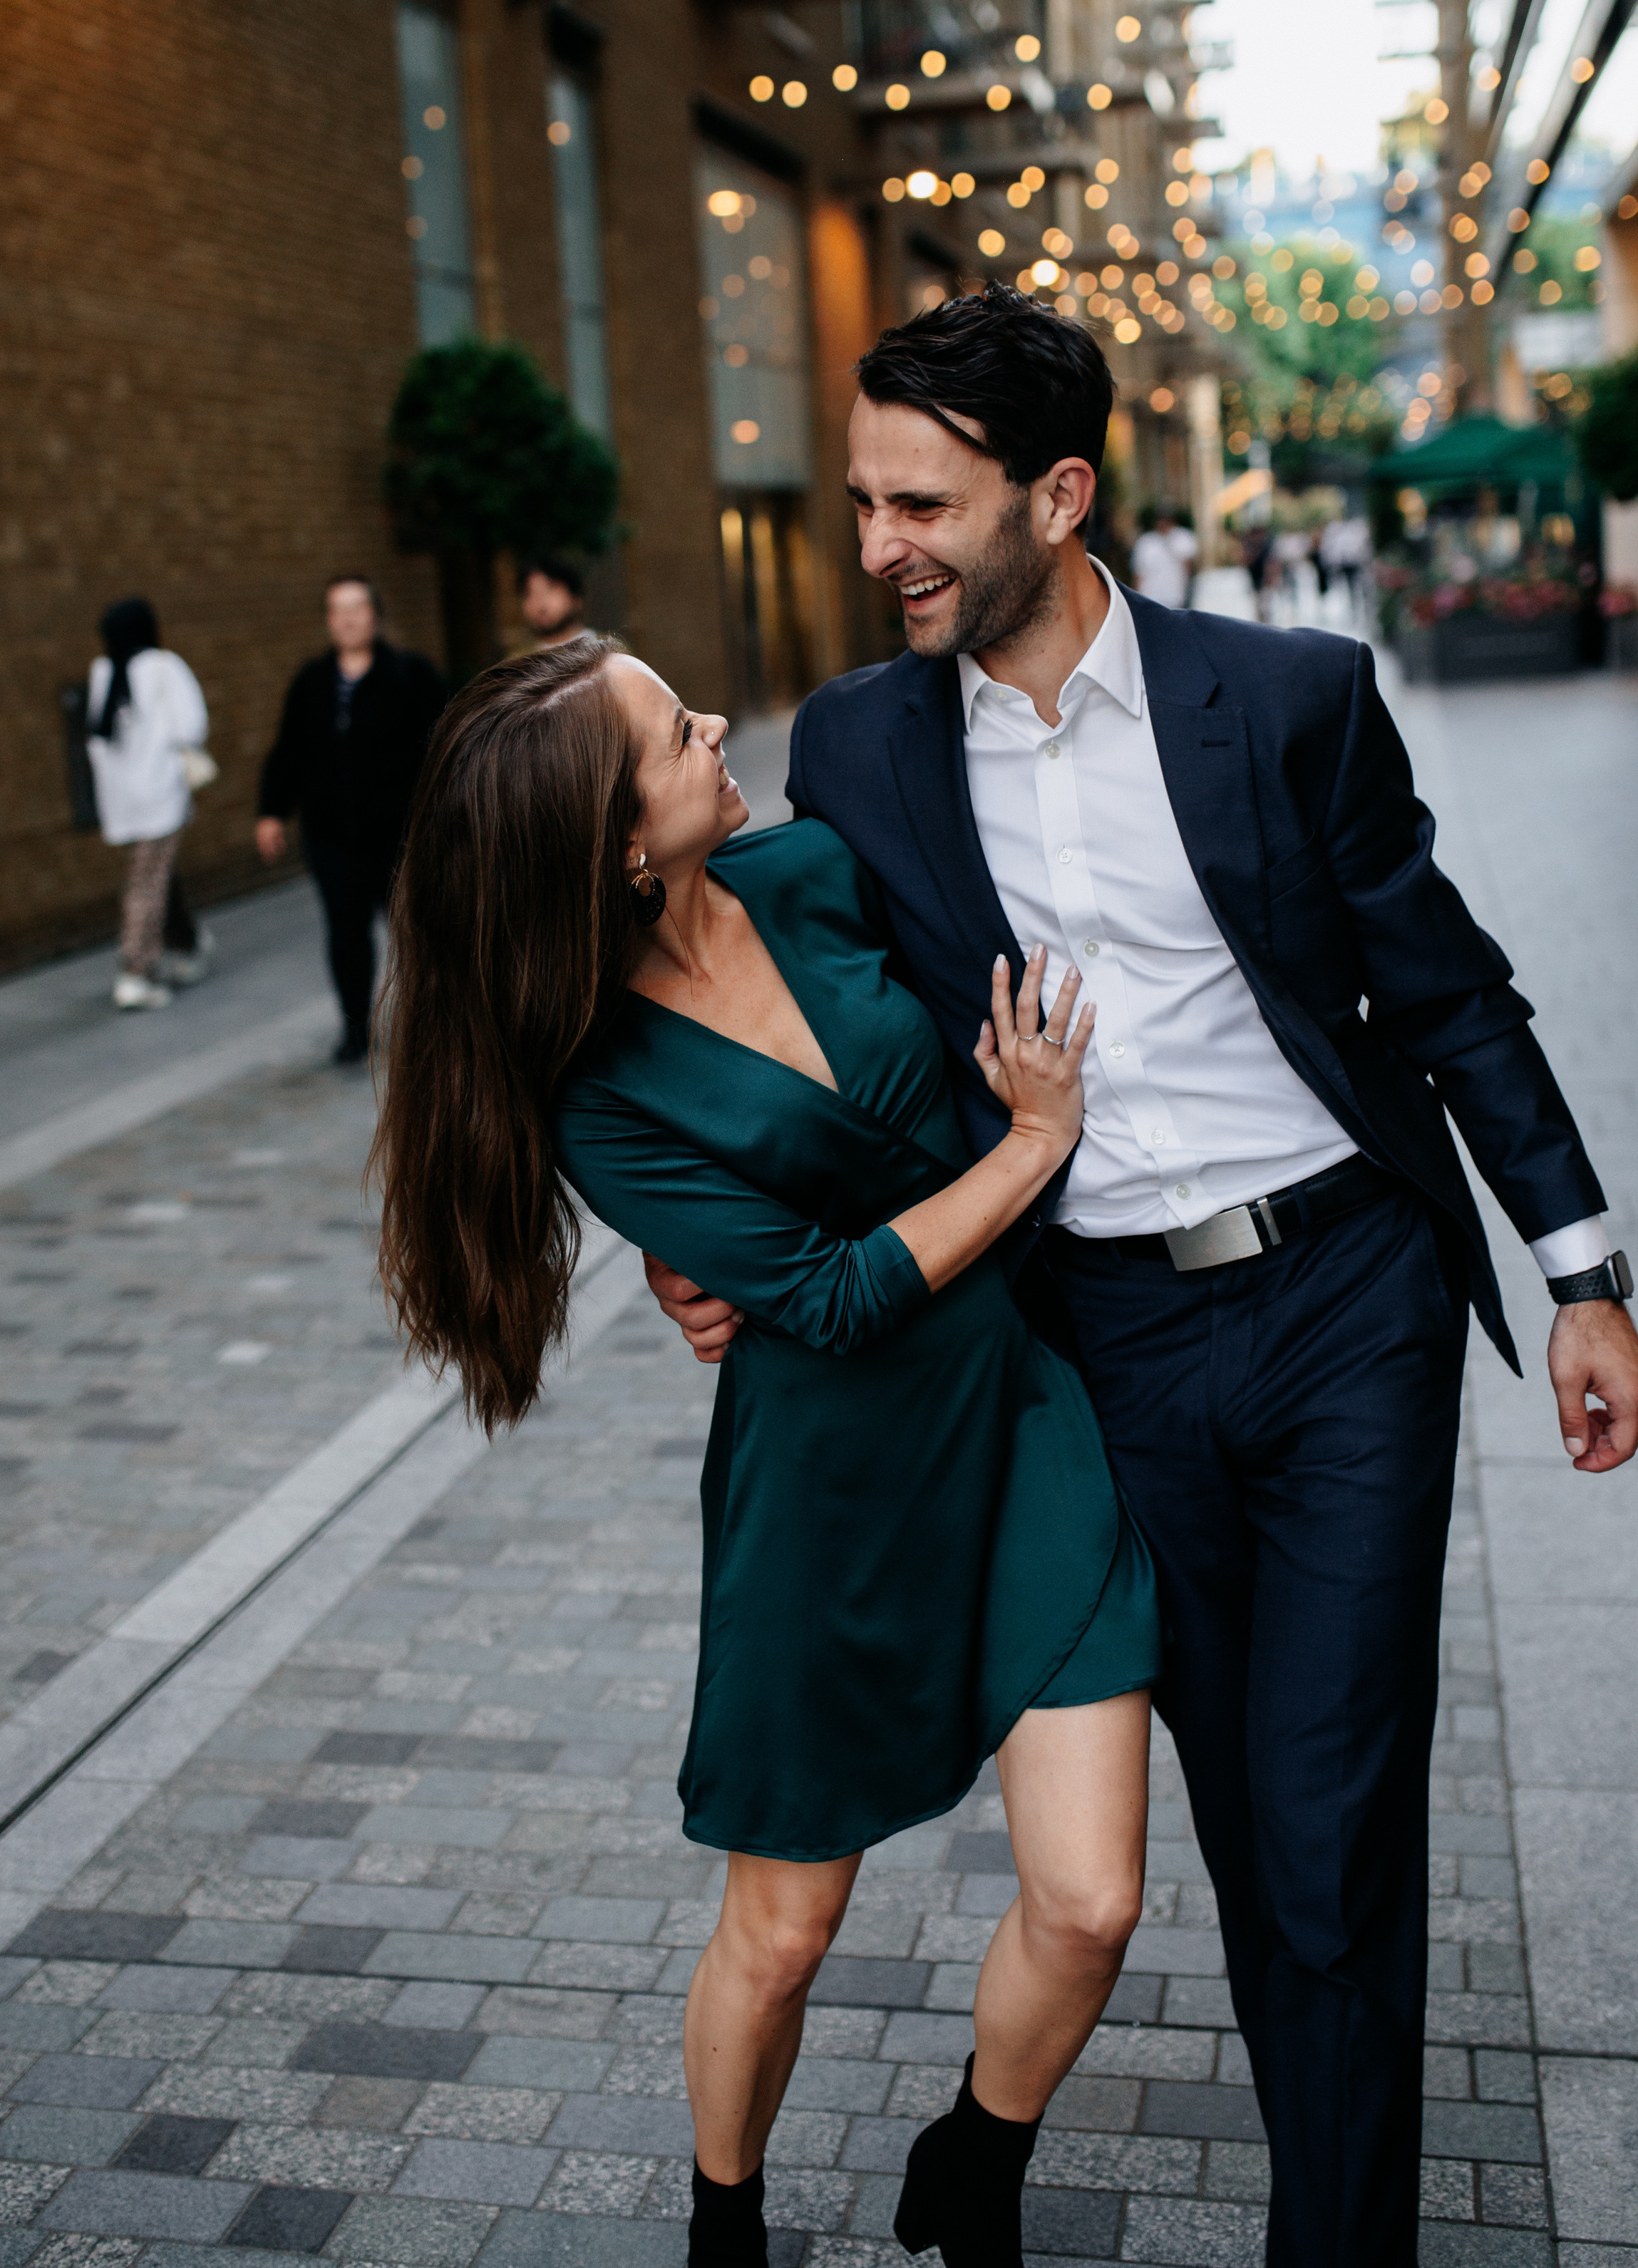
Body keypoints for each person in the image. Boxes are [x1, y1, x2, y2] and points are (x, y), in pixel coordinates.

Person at [648, 284, 1638, 2268]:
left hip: (1342, 1299)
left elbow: (1448, 992)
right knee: (1259, 1824)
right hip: (1097, 1341)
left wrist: (1581, 1271)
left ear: (1059, 494)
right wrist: (701, 1234)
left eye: (922, 506)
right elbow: (767, 992)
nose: (879, 547)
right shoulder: (857, 744)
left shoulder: (1284, 698)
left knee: (1331, 1810)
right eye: (862, 502)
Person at [373, 633, 1160, 2268]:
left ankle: (976, 2160)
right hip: (827, 1493)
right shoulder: (597, 1090)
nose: (718, 726)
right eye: (676, 732)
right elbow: (829, 1296)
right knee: (787, 1928)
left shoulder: (808, 871)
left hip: (1016, 1414)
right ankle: (720, 2219)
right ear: (613, 842)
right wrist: (1033, 1147)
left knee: (1090, 1901)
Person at [256, 576, 447, 1064]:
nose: (347, 618)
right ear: (328, 620)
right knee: (345, 932)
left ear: (375, 614)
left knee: (415, 932)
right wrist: (271, 811)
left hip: (399, 835)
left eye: (357, 607)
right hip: (332, 835)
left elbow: (444, 747)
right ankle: (354, 1027)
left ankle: (433, 1025)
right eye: (337, 609)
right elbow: (289, 750)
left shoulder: (411, 675)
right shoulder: (312, 682)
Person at [85, 598, 210, 1013]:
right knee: (148, 883)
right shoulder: (163, 666)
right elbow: (191, 725)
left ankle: (188, 944)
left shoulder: (102, 671)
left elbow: (96, 741)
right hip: (161, 794)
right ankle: (136, 973)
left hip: (123, 801)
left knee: (157, 874)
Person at [1128, 502, 1196, 608]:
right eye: (1161, 518)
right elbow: (1138, 574)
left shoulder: (1183, 538)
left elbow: (1189, 567)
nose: (1163, 522)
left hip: (1176, 599)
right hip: (1150, 599)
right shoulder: (1145, 542)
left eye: (1167, 519)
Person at [517, 553, 587, 646]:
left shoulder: (604, 651)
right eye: (530, 593)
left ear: (575, 598)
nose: (540, 603)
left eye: (550, 589)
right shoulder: (521, 655)